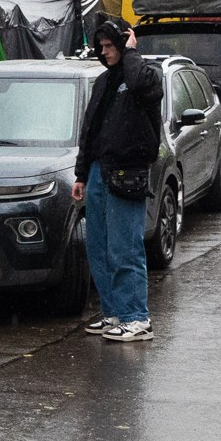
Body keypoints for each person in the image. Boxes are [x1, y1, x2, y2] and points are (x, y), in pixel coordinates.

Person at [73, 17, 164, 343]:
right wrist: (82, 173)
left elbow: (139, 82)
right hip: (99, 170)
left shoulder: (146, 76)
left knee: (125, 247)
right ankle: (113, 312)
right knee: (100, 247)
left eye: (111, 45)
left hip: (128, 170)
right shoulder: (104, 81)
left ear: (125, 42)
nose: (104, 51)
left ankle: (137, 319)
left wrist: (131, 51)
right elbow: (90, 130)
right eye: (102, 47)